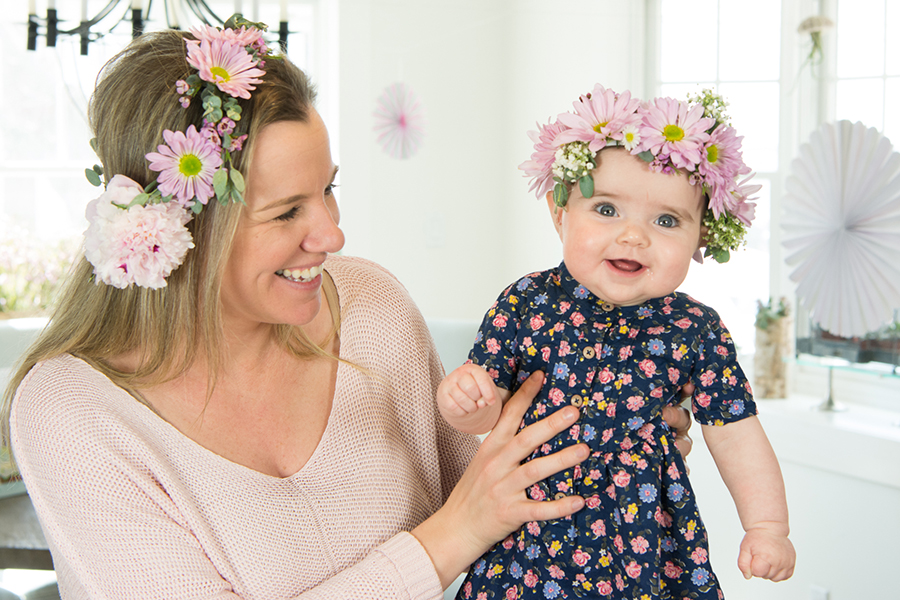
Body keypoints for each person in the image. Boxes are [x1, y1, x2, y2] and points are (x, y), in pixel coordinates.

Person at [0, 19, 604, 599]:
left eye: (328, 191)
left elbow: (505, 499)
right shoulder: (72, 412)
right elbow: (469, 518)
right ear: (181, 226)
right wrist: (451, 537)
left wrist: (614, 438)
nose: (332, 236)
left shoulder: (372, 305)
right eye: (287, 212)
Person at [437, 85, 796, 599]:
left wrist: (767, 527)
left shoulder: (695, 329)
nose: (633, 236)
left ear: (701, 240)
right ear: (561, 213)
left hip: (645, 549)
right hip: (531, 539)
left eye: (667, 221)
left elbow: (735, 431)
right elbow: (490, 416)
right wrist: (466, 403)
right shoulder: (526, 303)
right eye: (606, 210)